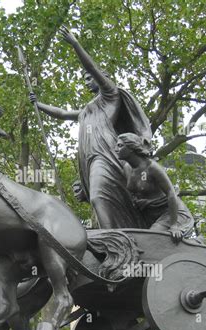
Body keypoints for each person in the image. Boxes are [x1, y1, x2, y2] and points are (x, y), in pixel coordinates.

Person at [30, 26, 151, 229]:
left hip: (107, 153)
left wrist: (75, 44)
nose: (86, 81)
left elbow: (92, 68)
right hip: (89, 158)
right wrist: (38, 104)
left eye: (89, 78)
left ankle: (112, 238)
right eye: (84, 79)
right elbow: (62, 113)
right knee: (103, 199)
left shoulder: (111, 95)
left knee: (97, 196)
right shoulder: (87, 110)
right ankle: (115, 233)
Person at [116, 133, 195, 242]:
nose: (116, 149)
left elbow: (171, 193)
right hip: (149, 213)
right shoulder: (127, 168)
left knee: (150, 239)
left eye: (120, 146)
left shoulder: (152, 167)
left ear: (131, 148)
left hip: (171, 214)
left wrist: (174, 226)